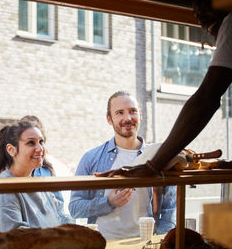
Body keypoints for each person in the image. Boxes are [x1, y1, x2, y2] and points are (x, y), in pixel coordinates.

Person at [96, 0, 232, 198]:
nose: (197, 12)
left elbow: (206, 98)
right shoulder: (94, 157)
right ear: (109, 119)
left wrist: (153, 165)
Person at [68, 91, 176, 240]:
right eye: (119, 113)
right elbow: (75, 208)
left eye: (133, 111)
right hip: (103, 244)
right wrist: (108, 202)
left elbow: (170, 209)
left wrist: (162, 244)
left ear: (140, 115)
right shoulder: (91, 158)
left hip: (145, 245)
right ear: (109, 119)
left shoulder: (158, 158)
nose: (127, 118)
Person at [0, 121, 72, 233]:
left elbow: (60, 219)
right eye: (31, 143)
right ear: (11, 150)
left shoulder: (40, 185)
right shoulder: (4, 190)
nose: (40, 148)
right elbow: (16, 239)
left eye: (41, 141)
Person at [19, 115, 70, 223]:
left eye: (41, 142)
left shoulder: (47, 171)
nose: (38, 149)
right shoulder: (12, 175)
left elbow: (59, 210)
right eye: (30, 142)